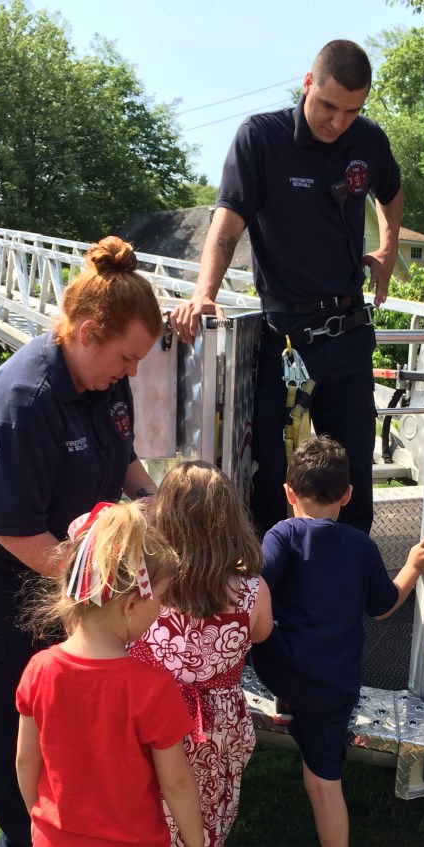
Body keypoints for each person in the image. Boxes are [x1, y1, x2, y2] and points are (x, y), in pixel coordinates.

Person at [0, 236, 163, 847]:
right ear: (87, 333)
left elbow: (123, 458)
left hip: (55, 558)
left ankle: (63, 832)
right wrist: (106, 588)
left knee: (63, 708)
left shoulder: (102, 378)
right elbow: (16, 533)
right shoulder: (21, 402)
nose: (132, 373)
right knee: (12, 713)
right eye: (126, 358)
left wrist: (152, 502)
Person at [170, 39, 403, 537]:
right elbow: (228, 224)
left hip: (348, 333)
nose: (337, 122)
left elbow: (391, 189)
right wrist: (203, 292)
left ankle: (349, 600)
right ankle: (272, 599)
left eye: (351, 111)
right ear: (307, 84)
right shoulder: (261, 138)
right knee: (276, 478)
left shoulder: (368, 141)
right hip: (287, 341)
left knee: (353, 479)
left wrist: (386, 249)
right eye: (328, 106)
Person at [16, 500, 207, 847]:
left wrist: (41, 819)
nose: (163, 611)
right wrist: (196, 846)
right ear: (129, 605)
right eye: (162, 599)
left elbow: (24, 763)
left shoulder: (38, 670)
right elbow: (177, 784)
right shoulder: (151, 688)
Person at [251, 435, 424, 847]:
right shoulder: (361, 545)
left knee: (286, 687)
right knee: (324, 782)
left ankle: (288, 709)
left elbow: (255, 589)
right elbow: (383, 606)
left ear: (289, 492)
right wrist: (415, 566)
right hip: (336, 684)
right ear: (350, 495)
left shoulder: (281, 535)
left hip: (282, 672)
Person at [128, 461, 273, 847]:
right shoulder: (250, 588)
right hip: (212, 728)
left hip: (146, 722)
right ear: (231, 519)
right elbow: (260, 635)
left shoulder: (142, 586)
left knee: (144, 816)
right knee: (200, 826)